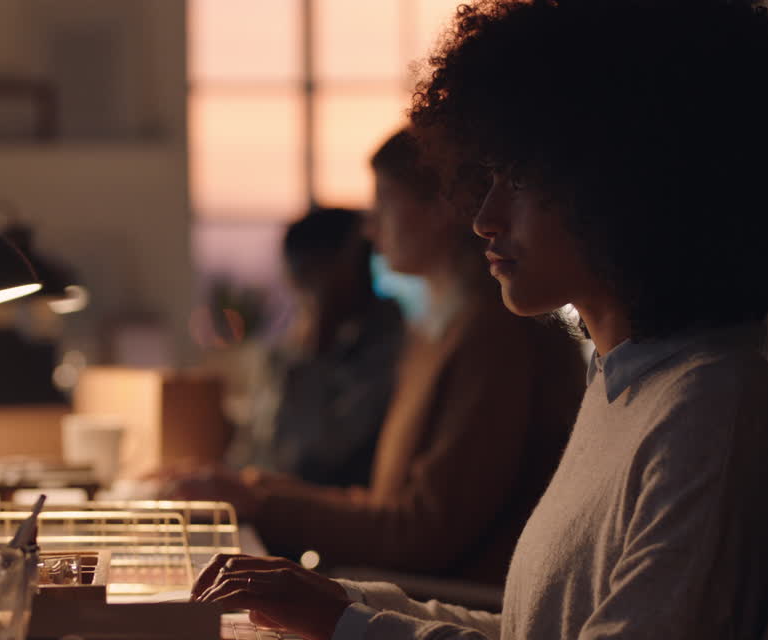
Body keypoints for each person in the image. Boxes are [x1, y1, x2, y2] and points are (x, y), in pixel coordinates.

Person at [188, 1, 768, 640]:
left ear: (630, 187)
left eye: (520, 178)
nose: (483, 216)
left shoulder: (711, 415)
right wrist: (341, 605)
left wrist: (345, 623)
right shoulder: (631, 384)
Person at [164, 129, 587, 585]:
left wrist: (260, 502)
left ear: (440, 208)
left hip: (456, 611)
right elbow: (396, 511)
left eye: (384, 199)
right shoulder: (439, 330)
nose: (369, 226)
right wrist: (251, 490)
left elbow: (422, 535)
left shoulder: (493, 337)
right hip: (420, 596)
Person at [229, 207, 404, 490]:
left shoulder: (388, 344)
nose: (304, 300)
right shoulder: (293, 343)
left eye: (309, 279)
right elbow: (258, 447)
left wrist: (316, 352)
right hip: (277, 503)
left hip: (329, 512)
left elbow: (314, 457)